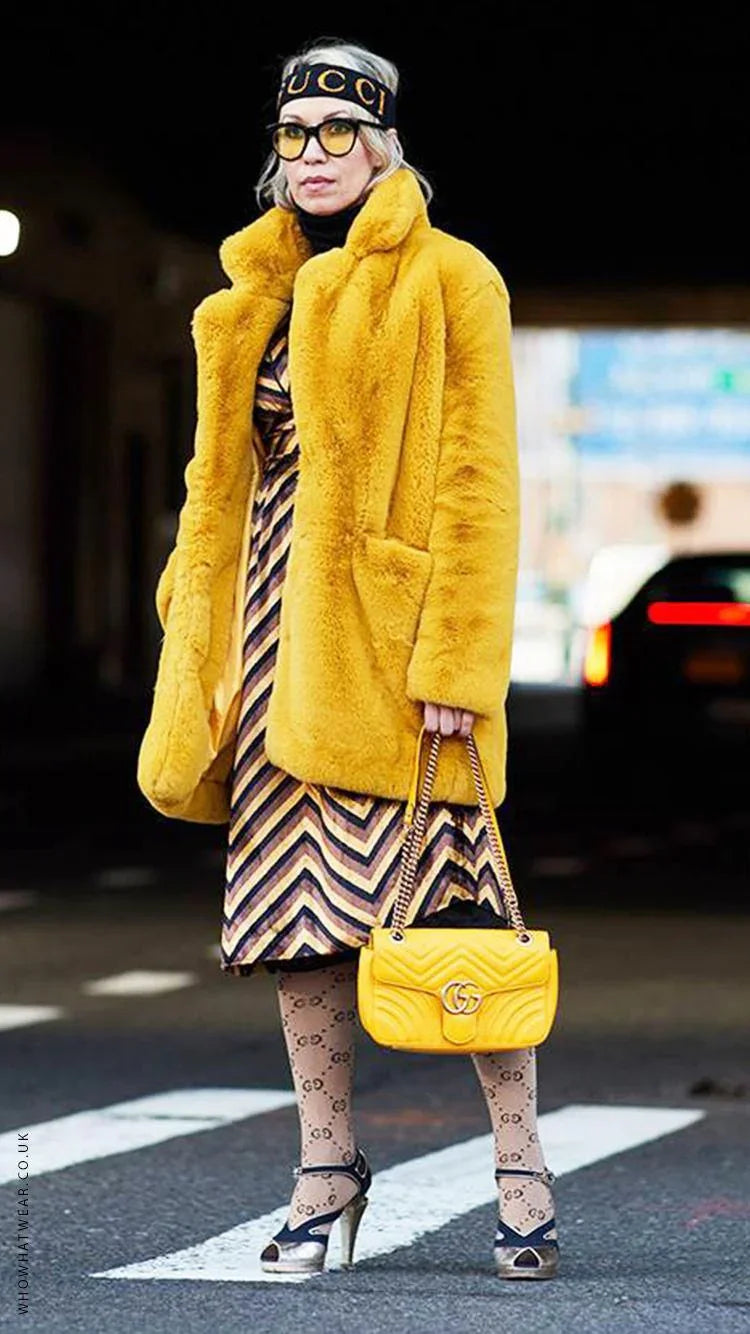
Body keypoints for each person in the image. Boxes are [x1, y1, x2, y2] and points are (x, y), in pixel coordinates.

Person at [137, 37, 559, 1280]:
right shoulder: (247, 297)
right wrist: (190, 612)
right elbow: (220, 484)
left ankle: (520, 1162)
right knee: (294, 921)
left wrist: (456, 662)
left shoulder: (449, 277)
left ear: (383, 145)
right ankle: (329, 1166)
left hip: (393, 646)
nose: (315, 155)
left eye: (339, 131)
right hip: (269, 640)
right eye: (294, 134)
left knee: (455, 905)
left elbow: (479, 485)